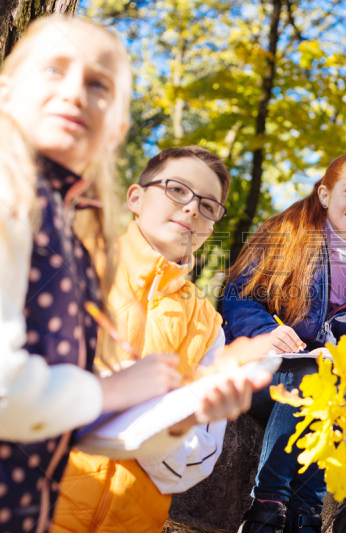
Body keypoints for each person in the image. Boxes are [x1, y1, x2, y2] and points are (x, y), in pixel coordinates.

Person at [0, 16, 266, 533]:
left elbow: (78, 426)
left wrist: (182, 414)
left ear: (115, 126)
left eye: (99, 85)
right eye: (53, 68)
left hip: (29, 511)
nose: (74, 91)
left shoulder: (66, 242)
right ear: (4, 90)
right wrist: (116, 390)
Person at [51, 146, 269, 532]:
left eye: (208, 206)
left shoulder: (208, 325)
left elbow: (197, 461)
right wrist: (144, 412)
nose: (191, 209)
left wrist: (178, 422)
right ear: (136, 197)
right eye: (177, 189)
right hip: (33, 509)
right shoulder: (74, 264)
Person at [223, 152, 346, 533]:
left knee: (337, 384)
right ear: (325, 195)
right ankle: (267, 506)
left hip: (320, 389)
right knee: (312, 377)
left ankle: (305, 515)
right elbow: (235, 297)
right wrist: (266, 332)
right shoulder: (286, 237)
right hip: (262, 375)